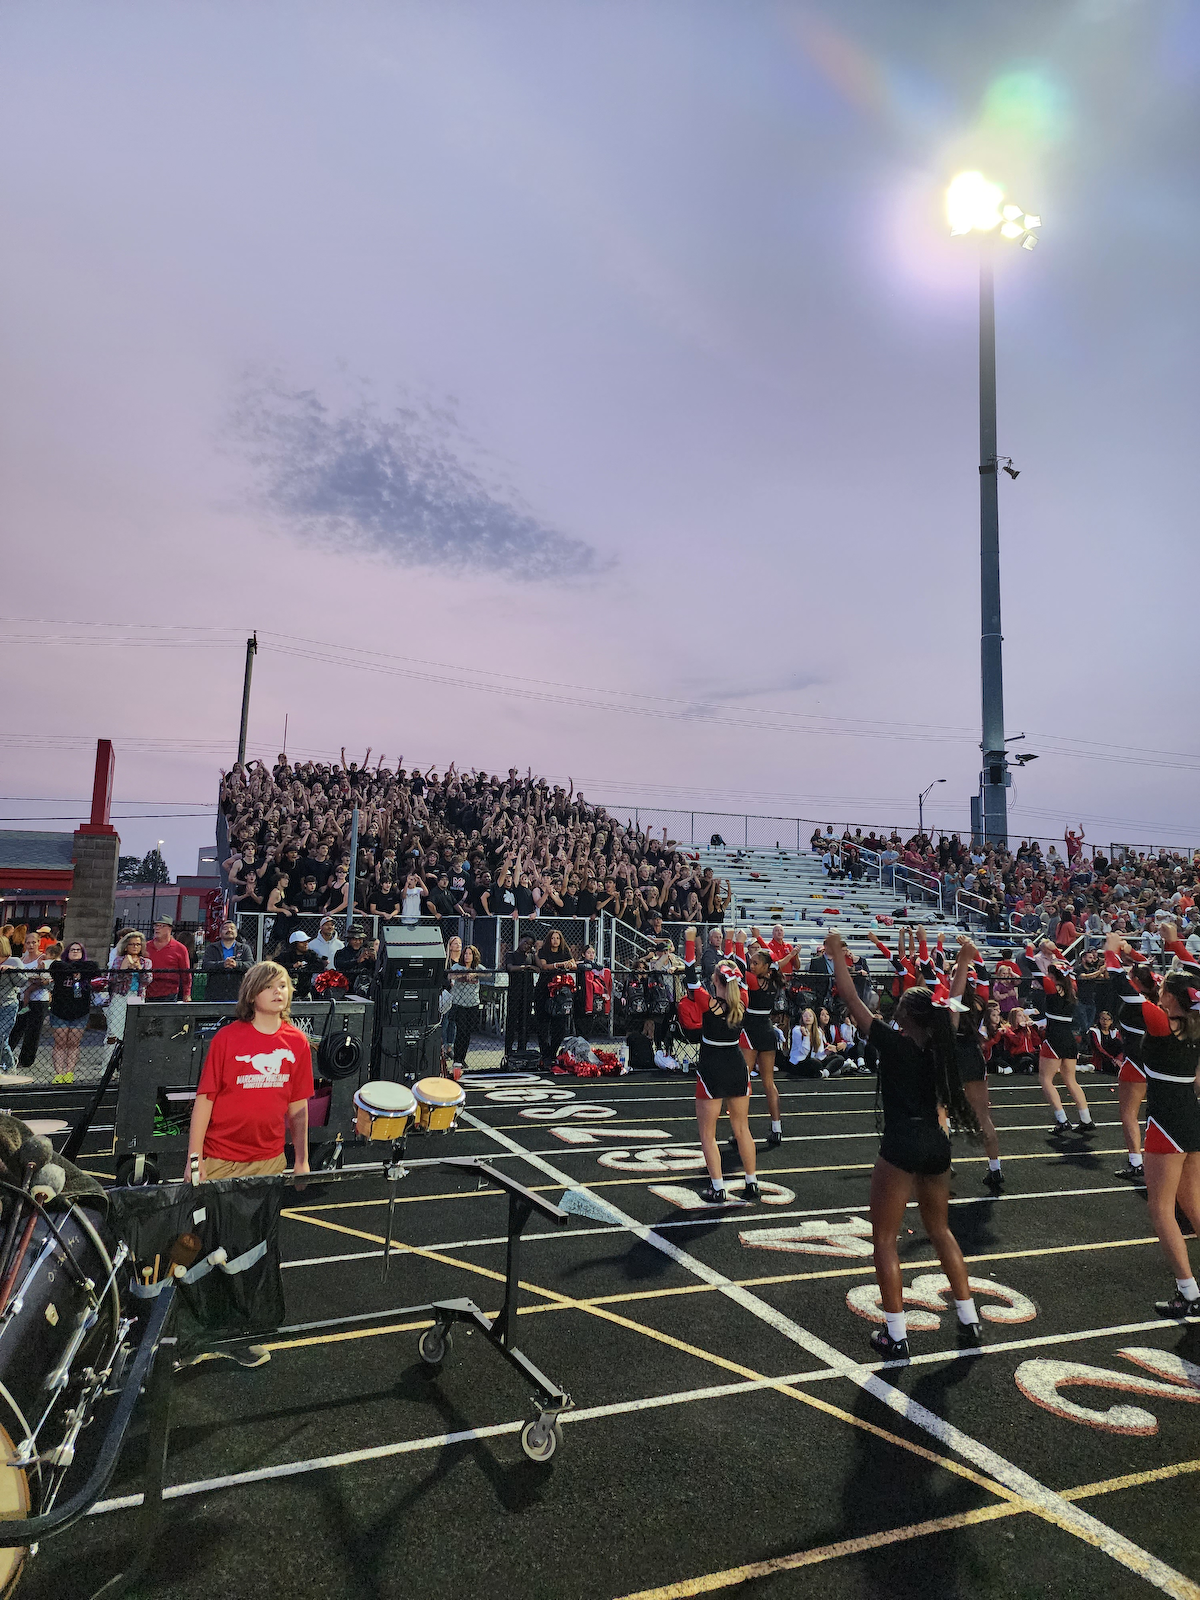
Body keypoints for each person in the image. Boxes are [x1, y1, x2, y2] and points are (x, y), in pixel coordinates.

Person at [825, 930, 982, 1360]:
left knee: (885, 1239)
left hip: (902, 1140)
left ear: (906, 1015)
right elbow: (952, 1001)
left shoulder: (894, 1045)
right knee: (941, 1230)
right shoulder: (941, 1044)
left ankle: (896, 1334)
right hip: (936, 1141)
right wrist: (963, 962)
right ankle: (969, 1317)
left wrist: (836, 952)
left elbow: (850, 998)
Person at [186, 961, 312, 1182]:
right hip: (221, 1159)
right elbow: (205, 1100)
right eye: (268, 986)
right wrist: (194, 1159)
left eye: (282, 986)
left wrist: (302, 1161)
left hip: (271, 1160)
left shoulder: (298, 1041)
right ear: (251, 995)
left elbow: (298, 1106)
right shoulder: (225, 1039)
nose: (277, 992)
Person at [676, 927, 759, 1204]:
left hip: (712, 1067)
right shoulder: (743, 1001)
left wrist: (689, 940)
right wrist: (737, 943)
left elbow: (690, 975)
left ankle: (718, 1187)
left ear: (715, 979)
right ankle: (752, 1182)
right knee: (742, 1129)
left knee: (707, 1134)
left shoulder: (707, 1001)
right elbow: (742, 970)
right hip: (736, 1065)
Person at [1137, 971, 1200, 1318]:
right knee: (1193, 1204)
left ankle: (1188, 1292)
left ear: (1171, 997)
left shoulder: (1163, 1023)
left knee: (1161, 1209)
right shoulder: (1195, 1025)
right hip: (1191, 1116)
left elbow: (1124, 989)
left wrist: (1118, 955)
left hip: (1166, 1122)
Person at [732, 928, 802, 1147]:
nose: (752, 965)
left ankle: (740, 1131)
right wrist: (791, 955)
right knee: (769, 1084)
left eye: (756, 963)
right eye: (751, 962)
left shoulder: (754, 981)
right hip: (767, 1031)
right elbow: (778, 963)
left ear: (765, 967)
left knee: (742, 1082)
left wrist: (739, 943)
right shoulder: (774, 980)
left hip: (752, 1032)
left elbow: (739, 967)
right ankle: (777, 1128)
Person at [947, 938, 1004, 1194]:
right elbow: (983, 974)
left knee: (941, 1113)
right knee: (983, 1116)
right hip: (973, 1055)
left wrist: (963, 958)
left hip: (953, 1055)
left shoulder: (951, 998)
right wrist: (972, 951)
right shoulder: (981, 999)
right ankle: (995, 1167)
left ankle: (943, 1165)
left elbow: (951, 1000)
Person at [1031, 945, 1094, 1138]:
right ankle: (1086, 1119)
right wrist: (1056, 951)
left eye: (1050, 974)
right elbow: (1067, 966)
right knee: (1070, 1080)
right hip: (1068, 1037)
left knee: (1045, 1079)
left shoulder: (1053, 988)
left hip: (1054, 1038)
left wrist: (1029, 948)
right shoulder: (1071, 987)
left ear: (1054, 976)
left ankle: (1061, 1119)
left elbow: (1033, 967)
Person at [48, 940, 100, 1084]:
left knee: (73, 1043)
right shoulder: (59, 966)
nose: (75, 952)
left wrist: (78, 970)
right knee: (60, 1043)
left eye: (78, 950)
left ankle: (69, 1073)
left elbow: (95, 968)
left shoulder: (88, 967)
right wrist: (75, 970)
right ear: (67, 952)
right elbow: (57, 967)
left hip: (80, 1011)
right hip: (60, 1010)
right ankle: (59, 1074)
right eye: (72, 950)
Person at [104, 929, 154, 1061]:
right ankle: (108, 1065)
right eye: (132, 944)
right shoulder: (118, 960)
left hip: (137, 997)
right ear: (126, 946)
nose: (135, 947)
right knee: (114, 1032)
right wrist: (124, 970)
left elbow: (147, 981)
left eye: (138, 944)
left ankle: (127, 1063)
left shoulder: (146, 962)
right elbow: (112, 980)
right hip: (120, 997)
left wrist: (140, 970)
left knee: (134, 1031)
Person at [534, 929, 577, 1062]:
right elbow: (544, 966)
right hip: (544, 989)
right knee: (543, 1023)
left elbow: (574, 965)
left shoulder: (564, 951)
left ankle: (552, 1053)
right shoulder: (543, 951)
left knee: (560, 1025)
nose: (555, 941)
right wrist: (558, 965)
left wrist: (568, 964)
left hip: (561, 991)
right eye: (553, 938)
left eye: (558, 938)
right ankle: (545, 1053)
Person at [201, 920, 255, 1002]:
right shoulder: (211, 948)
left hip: (238, 994)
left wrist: (236, 964)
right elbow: (206, 965)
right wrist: (223, 964)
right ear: (220, 933)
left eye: (232, 928)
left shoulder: (244, 948)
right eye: (225, 928)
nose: (229, 930)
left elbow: (251, 965)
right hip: (215, 994)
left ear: (236, 933)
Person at [448, 945, 483, 1069]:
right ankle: (457, 1059)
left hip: (473, 1003)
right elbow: (450, 976)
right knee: (461, 1031)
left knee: (468, 1032)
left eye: (470, 954)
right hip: (459, 1004)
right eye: (466, 954)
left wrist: (474, 974)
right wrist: (463, 975)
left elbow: (489, 973)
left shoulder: (477, 967)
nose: (467, 956)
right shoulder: (457, 967)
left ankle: (462, 1058)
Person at [503, 934, 537, 1060]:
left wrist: (534, 955)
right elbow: (510, 967)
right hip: (514, 992)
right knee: (512, 1020)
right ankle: (508, 1049)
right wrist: (525, 967)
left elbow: (539, 968)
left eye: (530, 944)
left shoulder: (530, 957)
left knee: (525, 1020)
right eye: (525, 942)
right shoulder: (511, 955)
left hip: (527, 992)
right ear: (520, 940)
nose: (526, 945)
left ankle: (522, 1048)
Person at [145, 917, 193, 1002]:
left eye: (161, 926)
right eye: (156, 925)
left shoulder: (180, 948)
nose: (157, 928)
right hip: (146, 992)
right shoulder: (146, 946)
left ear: (170, 929)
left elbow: (185, 973)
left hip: (169, 993)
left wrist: (187, 993)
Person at [0, 939, 23, 1072]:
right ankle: (8, 1060)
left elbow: (22, 982)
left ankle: (9, 1064)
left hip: (8, 1005)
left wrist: (11, 970)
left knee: (1, 1036)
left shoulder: (14, 961)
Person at [786, 1006, 829, 1078]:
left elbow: (818, 1054)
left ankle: (826, 1071)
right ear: (802, 1018)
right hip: (799, 1062)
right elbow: (804, 1051)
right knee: (815, 1063)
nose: (807, 1018)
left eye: (810, 1016)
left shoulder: (818, 1032)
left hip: (812, 1059)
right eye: (805, 1016)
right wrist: (806, 1036)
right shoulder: (797, 1030)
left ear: (814, 1018)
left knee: (838, 1058)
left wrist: (825, 1052)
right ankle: (825, 1071)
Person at [280, 929, 322, 1000]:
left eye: (307, 941)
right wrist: (292, 966)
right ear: (294, 944)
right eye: (302, 942)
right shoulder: (286, 956)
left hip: (305, 992)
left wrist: (305, 967)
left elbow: (319, 965)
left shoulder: (311, 955)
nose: (306, 944)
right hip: (288, 993)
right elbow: (275, 965)